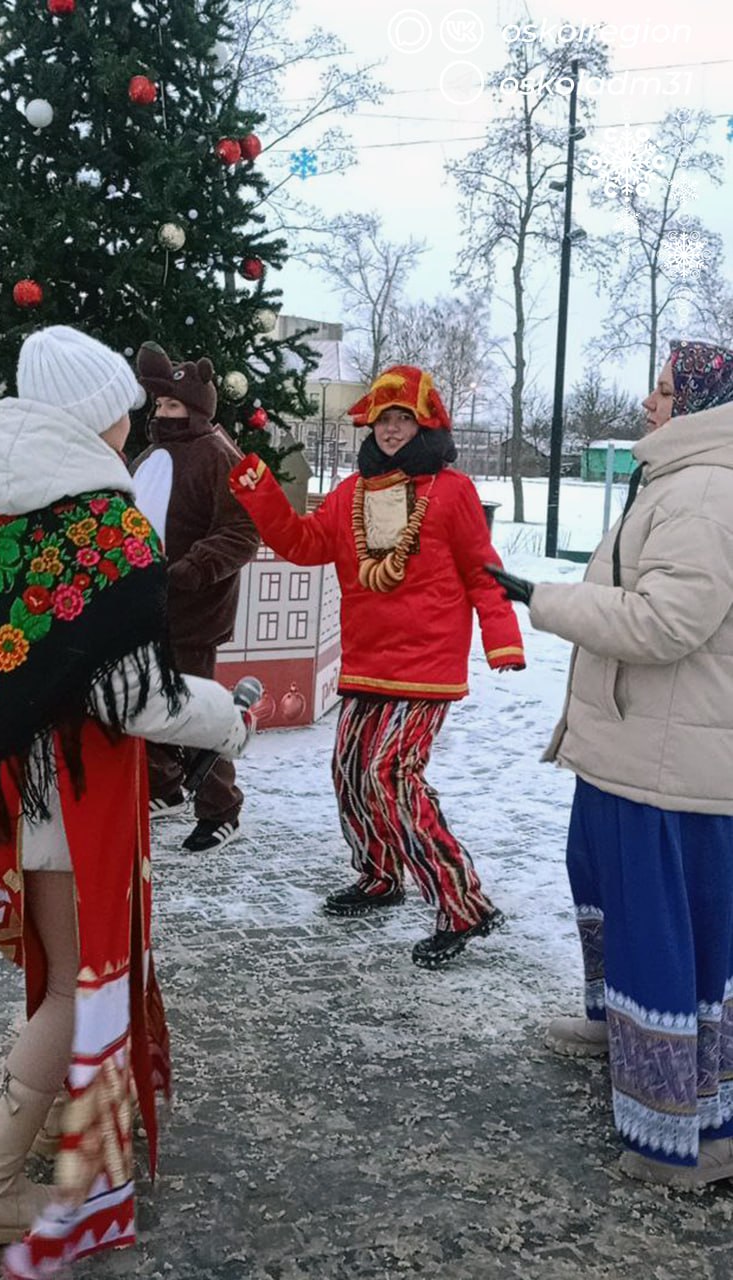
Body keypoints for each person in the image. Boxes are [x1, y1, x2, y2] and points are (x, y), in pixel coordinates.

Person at [0, 326, 255, 1276]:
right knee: (72, 982)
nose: (131, 424)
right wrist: (227, 721)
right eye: (124, 410)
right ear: (97, 413)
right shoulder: (103, 524)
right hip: (72, 791)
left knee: (59, 972)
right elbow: (130, 697)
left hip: (4, 778)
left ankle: (68, 1105)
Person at [488, 340, 733, 1188]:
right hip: (639, 743)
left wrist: (541, 599)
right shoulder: (680, 477)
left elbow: (665, 623)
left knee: (667, 932)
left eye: (664, 391)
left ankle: (687, 1139)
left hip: (671, 759)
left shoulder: (705, 489)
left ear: (703, 401)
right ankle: (620, 1026)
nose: (647, 403)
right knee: (613, 899)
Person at [229, 364, 525, 969]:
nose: (392, 429)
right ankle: (380, 874)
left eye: (403, 419)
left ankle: (463, 904)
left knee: (390, 775)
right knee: (349, 771)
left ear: (425, 425)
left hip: (426, 667)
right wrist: (261, 491)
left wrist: (502, 637)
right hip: (368, 664)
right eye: (384, 419)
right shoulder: (350, 494)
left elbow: (481, 568)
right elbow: (306, 545)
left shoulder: (453, 491)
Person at [131, 341, 259, 852]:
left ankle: (221, 806)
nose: (164, 414)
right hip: (143, 607)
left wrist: (190, 570)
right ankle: (163, 787)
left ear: (199, 407)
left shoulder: (218, 456)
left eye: (175, 406)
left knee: (195, 709)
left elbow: (241, 531)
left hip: (191, 610)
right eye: (160, 405)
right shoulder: (148, 454)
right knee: (145, 699)